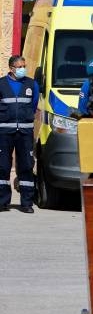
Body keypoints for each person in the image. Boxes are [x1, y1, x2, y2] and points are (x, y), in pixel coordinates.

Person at [0, 55, 38, 212]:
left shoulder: (31, 84)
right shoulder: (1, 84)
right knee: (2, 166)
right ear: (11, 68)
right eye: (20, 66)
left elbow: (34, 105)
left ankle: (27, 203)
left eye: (24, 66)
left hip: (25, 132)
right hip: (4, 132)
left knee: (26, 166)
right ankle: (2, 201)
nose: (23, 69)